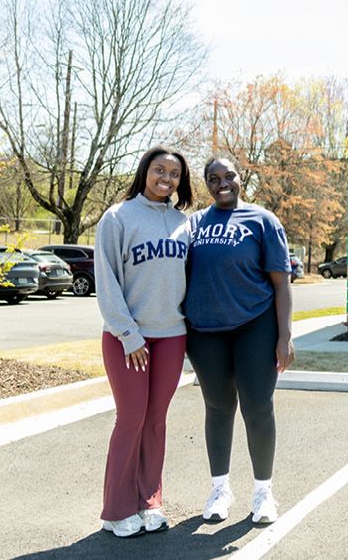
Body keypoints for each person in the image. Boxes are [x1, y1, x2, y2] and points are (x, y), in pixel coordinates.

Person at [183, 157, 294, 524]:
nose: (222, 183)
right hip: (205, 331)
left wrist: (284, 336)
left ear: (241, 178)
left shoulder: (263, 221)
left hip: (254, 326)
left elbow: (281, 284)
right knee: (217, 407)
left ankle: (263, 493)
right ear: (206, 185)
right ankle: (220, 489)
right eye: (213, 179)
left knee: (258, 406)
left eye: (229, 176)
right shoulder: (195, 223)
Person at [94, 146, 193, 538]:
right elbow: (107, 282)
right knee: (130, 419)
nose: (166, 178)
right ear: (144, 172)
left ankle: (149, 501)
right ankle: (116, 510)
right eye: (159, 170)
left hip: (171, 337)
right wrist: (130, 335)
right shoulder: (117, 218)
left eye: (174, 174)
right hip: (127, 339)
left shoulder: (184, 223)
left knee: (155, 421)